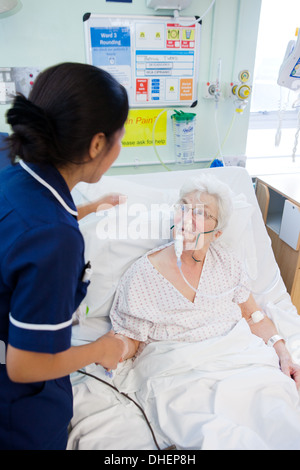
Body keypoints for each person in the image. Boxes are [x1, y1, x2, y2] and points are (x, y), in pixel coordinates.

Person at [0, 62, 129, 450]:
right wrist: (104, 349)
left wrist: (84, 210)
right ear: (96, 145)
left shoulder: (9, 154)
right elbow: (27, 366)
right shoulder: (56, 239)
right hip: (18, 411)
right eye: (121, 135)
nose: (119, 147)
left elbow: (21, 213)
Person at [110, 174, 300, 386]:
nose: (187, 217)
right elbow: (131, 339)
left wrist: (284, 354)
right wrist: (115, 349)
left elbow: (253, 317)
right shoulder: (143, 273)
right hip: (179, 375)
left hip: (239, 363)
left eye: (201, 213)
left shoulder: (228, 265)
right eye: (183, 207)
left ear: (216, 233)